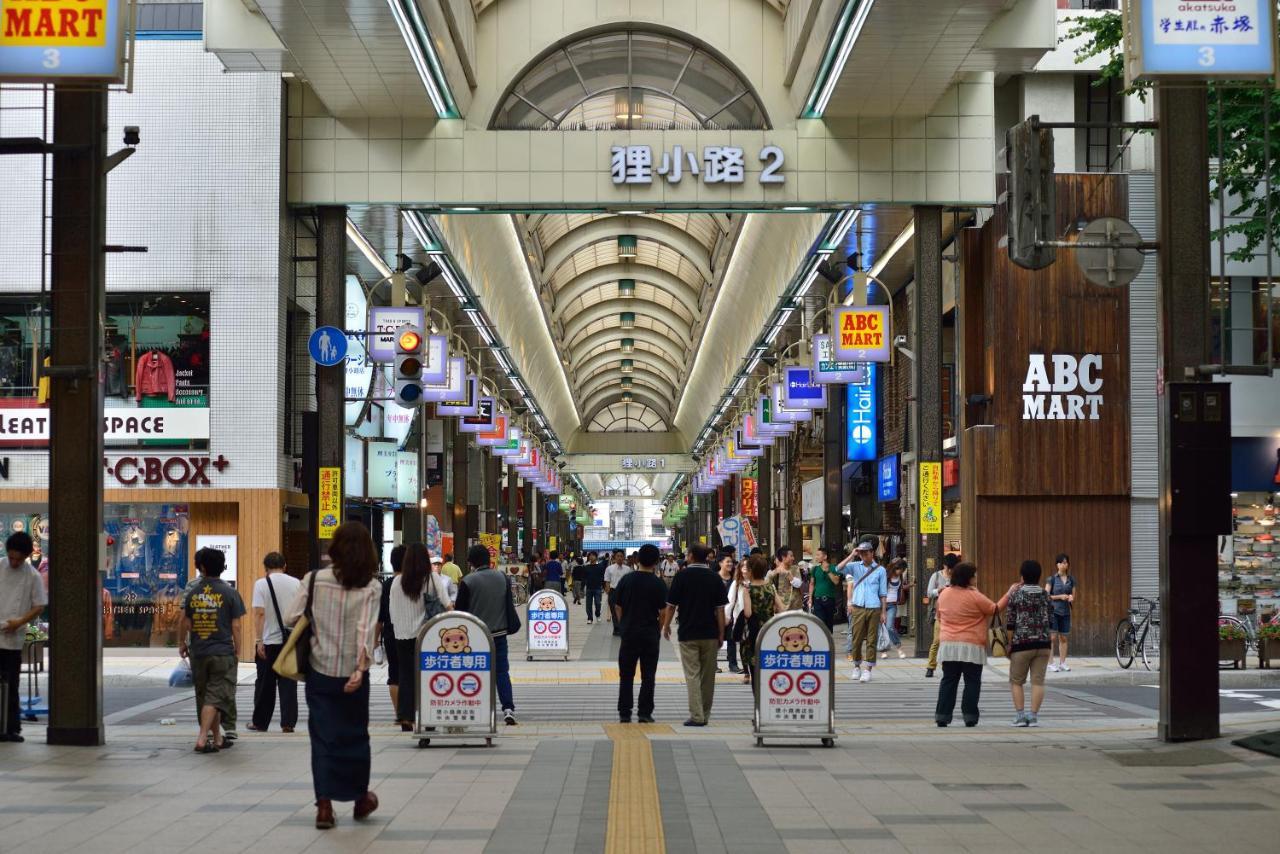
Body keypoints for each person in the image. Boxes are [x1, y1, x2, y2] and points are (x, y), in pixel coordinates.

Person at [284, 522, 382, 829]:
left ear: (335, 549)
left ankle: (324, 806)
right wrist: (359, 669)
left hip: (320, 670)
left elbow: (290, 617)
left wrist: (316, 617)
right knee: (356, 735)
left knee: (323, 737)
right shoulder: (372, 585)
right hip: (354, 674)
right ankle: (359, 799)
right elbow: (366, 628)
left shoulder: (314, 580)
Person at [180, 546, 245, 754]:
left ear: (202, 567)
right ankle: (202, 739)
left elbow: (185, 621)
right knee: (216, 696)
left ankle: (217, 738)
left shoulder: (193, 593)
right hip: (222, 651)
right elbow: (236, 625)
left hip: (198, 652)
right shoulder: (230, 592)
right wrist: (238, 650)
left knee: (206, 695)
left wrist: (182, 643)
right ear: (222, 568)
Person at [455, 543, 519, 725]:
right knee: (501, 672)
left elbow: (460, 610)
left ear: (471, 562)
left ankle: (477, 706)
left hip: (476, 636)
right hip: (500, 634)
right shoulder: (502, 577)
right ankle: (508, 708)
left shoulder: (468, 581)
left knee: (475, 671)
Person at [665, 544, 728, 727]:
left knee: (692, 674)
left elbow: (671, 605)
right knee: (708, 676)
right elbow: (720, 610)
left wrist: (666, 626)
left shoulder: (682, 576)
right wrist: (721, 634)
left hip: (688, 632)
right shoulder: (714, 578)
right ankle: (704, 714)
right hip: (710, 633)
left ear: (691, 556)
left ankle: (696, 715)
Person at [390, 543, 451, 730]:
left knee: (406, 676)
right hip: (427, 636)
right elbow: (447, 605)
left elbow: (393, 611)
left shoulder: (396, 582)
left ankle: (406, 716)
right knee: (428, 676)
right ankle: (428, 717)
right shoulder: (432, 578)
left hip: (402, 635)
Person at [933, 562, 998, 727]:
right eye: (974, 575)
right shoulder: (974, 595)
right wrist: (1010, 593)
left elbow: (939, 616)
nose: (976, 578)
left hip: (949, 644)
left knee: (949, 680)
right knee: (972, 681)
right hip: (971, 645)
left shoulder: (944, 594)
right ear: (968, 578)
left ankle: (942, 715)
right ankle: (969, 716)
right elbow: (994, 609)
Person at [613, 544, 671, 723]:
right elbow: (663, 612)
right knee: (648, 675)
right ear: (656, 562)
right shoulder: (658, 583)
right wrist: (658, 629)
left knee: (626, 674)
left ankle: (625, 712)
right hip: (649, 634)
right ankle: (645, 713)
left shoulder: (627, 580)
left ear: (637, 560)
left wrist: (623, 625)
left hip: (629, 633)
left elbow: (618, 606)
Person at [0, 532, 47, 743]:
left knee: (11, 685)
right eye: (11, 558)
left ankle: (11, 728)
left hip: (13, 638)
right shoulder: (0, 567)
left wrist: (19, 622)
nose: (14, 562)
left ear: (27, 556)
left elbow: (39, 605)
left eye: (18, 559)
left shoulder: (33, 576)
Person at [249, 551, 301, 733]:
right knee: (288, 683)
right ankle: (288, 723)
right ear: (284, 566)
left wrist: (259, 640)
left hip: (269, 642)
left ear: (266, 568)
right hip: (290, 640)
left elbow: (259, 613)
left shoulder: (261, 584)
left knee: (265, 684)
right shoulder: (296, 583)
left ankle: (260, 722)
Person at [1005, 560, 1053, 727]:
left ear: (1022, 576)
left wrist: (1009, 643)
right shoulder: (1045, 595)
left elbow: (1010, 622)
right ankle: (1033, 717)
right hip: (1043, 644)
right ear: (1039, 576)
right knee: (1038, 682)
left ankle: (1020, 716)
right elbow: (1051, 619)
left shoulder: (1016, 595)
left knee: (1017, 681)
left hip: (1021, 644)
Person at [839, 542, 887, 682]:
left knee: (872, 640)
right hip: (858, 607)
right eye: (861, 553)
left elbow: (883, 593)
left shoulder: (880, 570)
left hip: (874, 607)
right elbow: (838, 568)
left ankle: (868, 669)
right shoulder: (854, 567)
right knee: (856, 639)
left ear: (872, 553)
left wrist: (883, 612)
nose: (864, 555)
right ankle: (856, 666)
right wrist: (851, 555)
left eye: (866, 553)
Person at [739, 555, 783, 688]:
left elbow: (748, 613)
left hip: (754, 632)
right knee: (767, 666)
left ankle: (758, 700)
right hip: (770, 630)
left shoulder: (748, 589)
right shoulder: (770, 587)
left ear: (751, 570)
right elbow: (781, 608)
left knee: (755, 669)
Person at [377, 544, 406, 727]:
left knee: (394, 673)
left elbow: (379, 616)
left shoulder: (386, 585)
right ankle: (411, 711)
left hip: (390, 632)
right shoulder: (414, 582)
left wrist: (374, 641)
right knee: (411, 672)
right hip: (411, 634)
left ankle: (399, 714)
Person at [924, 553, 958, 678]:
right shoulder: (936, 575)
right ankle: (930, 667)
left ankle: (947, 666)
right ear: (944, 565)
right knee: (937, 641)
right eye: (948, 568)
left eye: (952, 568)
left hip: (954, 613)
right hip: (939, 614)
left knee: (950, 642)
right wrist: (939, 590)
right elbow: (929, 592)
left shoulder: (957, 577)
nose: (950, 571)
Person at [1046, 553, 1075, 672]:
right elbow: (1046, 595)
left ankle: (1062, 663)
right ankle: (1051, 663)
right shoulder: (1051, 579)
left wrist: (1071, 597)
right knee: (1052, 637)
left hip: (1066, 612)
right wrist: (1060, 597)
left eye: (1066, 562)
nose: (1065, 564)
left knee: (1063, 638)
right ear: (1057, 564)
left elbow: (1073, 594)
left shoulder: (1071, 579)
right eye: (1062, 562)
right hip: (1053, 612)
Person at [808, 545, 843, 633]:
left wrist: (828, 571)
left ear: (825, 556)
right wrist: (810, 598)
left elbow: (836, 582)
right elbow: (812, 584)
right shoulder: (815, 569)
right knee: (820, 622)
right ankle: (821, 641)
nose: (816, 557)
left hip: (829, 599)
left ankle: (828, 641)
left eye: (818, 555)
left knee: (829, 623)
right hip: (817, 599)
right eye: (816, 555)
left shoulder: (834, 568)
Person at [879, 558, 908, 661]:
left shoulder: (899, 577)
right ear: (895, 567)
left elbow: (900, 589)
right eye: (900, 569)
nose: (901, 572)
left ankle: (899, 648)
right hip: (881, 604)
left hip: (892, 605)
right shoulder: (885, 576)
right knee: (882, 628)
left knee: (890, 627)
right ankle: (883, 651)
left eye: (903, 570)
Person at [719, 553, 742, 674]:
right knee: (716, 639)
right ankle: (713, 664)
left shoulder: (735, 579)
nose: (730, 564)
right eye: (727, 562)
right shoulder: (715, 578)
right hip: (716, 614)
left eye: (731, 562)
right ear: (720, 563)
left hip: (732, 615)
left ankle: (733, 664)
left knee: (731, 639)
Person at [768, 546, 804, 612]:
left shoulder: (795, 568)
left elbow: (799, 584)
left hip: (796, 607)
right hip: (781, 608)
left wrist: (789, 574)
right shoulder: (774, 573)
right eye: (791, 556)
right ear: (783, 557)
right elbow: (768, 587)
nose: (793, 558)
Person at [604, 550, 631, 637]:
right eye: (618, 556)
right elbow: (607, 581)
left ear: (623, 558)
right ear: (615, 557)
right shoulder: (609, 568)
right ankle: (616, 628)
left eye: (621, 556)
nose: (619, 558)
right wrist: (608, 592)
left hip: (625, 592)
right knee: (614, 611)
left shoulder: (627, 569)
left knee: (624, 610)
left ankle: (622, 627)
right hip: (613, 591)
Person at [581, 551, 606, 624]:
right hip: (589, 588)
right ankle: (590, 618)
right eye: (590, 556)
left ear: (596, 557)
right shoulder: (586, 567)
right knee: (588, 604)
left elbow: (603, 577)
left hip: (598, 588)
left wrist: (604, 587)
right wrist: (582, 588)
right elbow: (584, 578)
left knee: (598, 603)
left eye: (593, 555)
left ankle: (597, 614)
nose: (591, 557)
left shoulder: (600, 566)